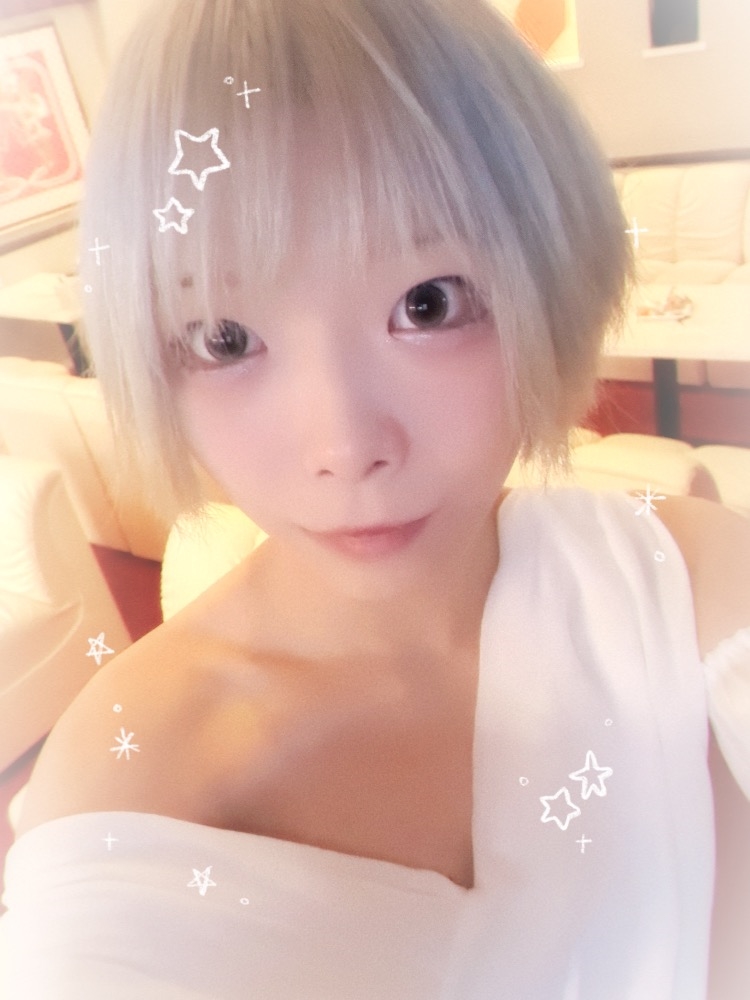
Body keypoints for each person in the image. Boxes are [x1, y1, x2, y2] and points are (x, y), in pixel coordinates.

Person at [1, 0, 748, 996]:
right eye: (226, 338)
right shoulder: (130, 787)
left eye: (428, 304)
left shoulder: (683, 576)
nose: (346, 448)